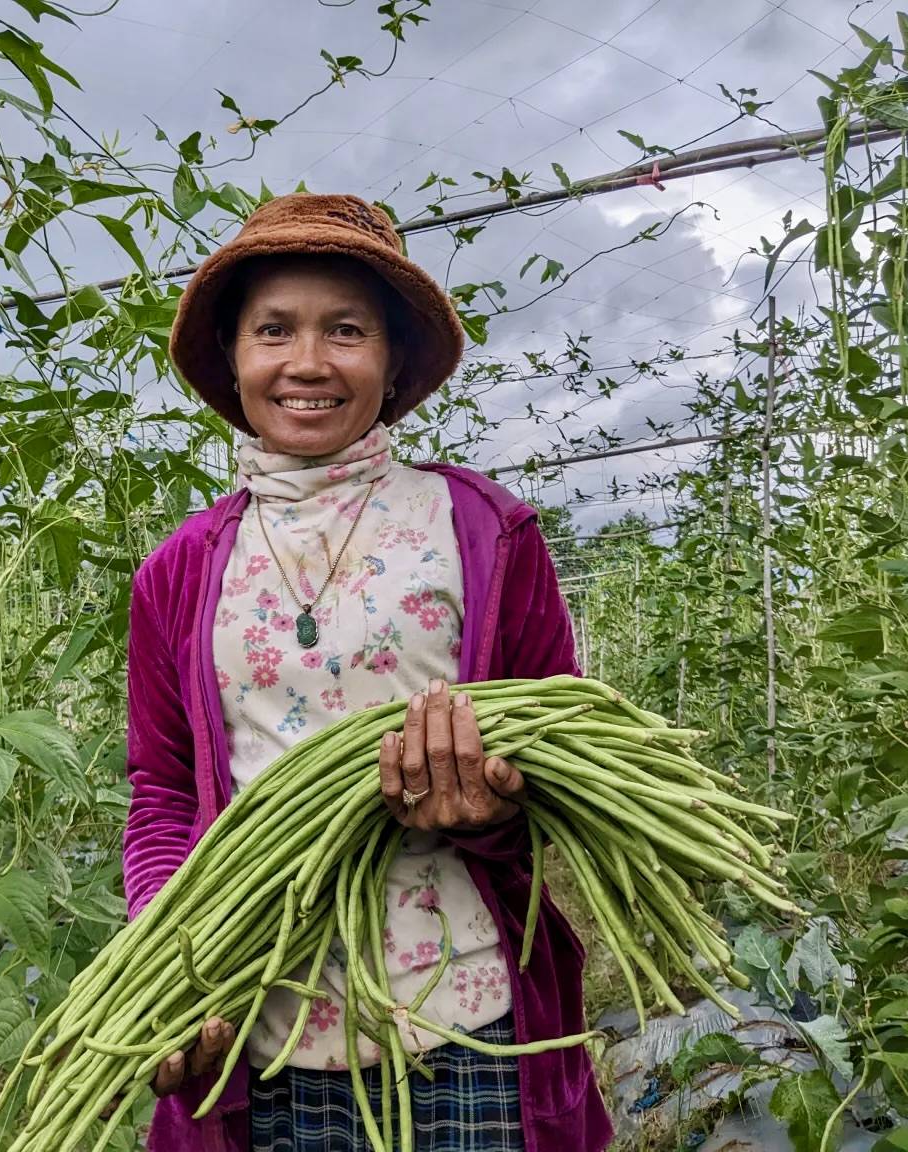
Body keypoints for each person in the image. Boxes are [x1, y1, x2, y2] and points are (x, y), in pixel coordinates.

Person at [124, 193, 611, 1152]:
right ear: (234, 358)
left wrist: (498, 804)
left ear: (390, 364)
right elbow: (164, 793)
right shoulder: (179, 570)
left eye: (345, 330)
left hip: (467, 1028)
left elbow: (565, 761)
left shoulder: (480, 531)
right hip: (258, 1029)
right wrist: (169, 964)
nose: (308, 362)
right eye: (275, 330)